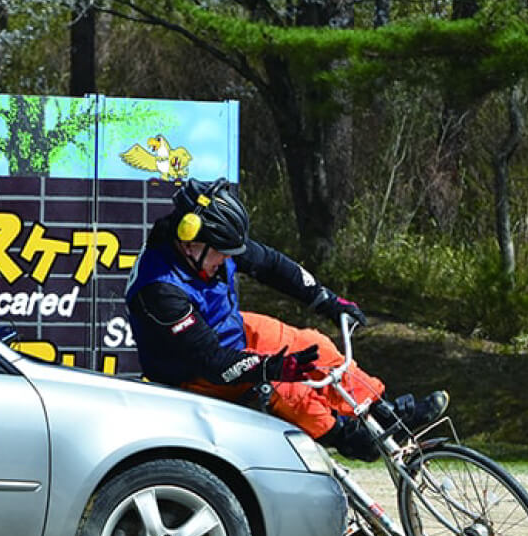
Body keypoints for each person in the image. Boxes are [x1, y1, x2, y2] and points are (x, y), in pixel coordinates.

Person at [124, 178, 448, 461]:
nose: (227, 260)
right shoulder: (159, 290)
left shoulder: (212, 239)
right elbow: (212, 362)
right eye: (222, 253)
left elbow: (274, 266)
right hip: (194, 373)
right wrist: (272, 367)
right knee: (286, 388)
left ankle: (385, 414)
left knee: (315, 346)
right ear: (189, 240)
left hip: (230, 330)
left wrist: (329, 301)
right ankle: (350, 439)